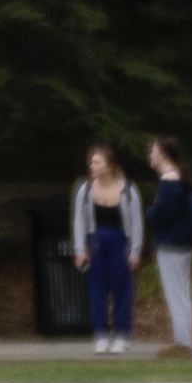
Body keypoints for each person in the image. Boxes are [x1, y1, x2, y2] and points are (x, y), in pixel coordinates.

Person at [71, 142, 141, 353]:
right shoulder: (85, 190)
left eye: (97, 161)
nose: (92, 165)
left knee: (122, 288)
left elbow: (136, 222)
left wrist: (135, 250)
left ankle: (122, 335)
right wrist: (79, 249)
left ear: (109, 165)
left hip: (120, 241)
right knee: (97, 289)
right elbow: (79, 221)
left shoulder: (128, 190)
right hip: (95, 242)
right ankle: (100, 335)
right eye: (91, 162)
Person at [143, 134, 192, 353]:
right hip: (183, 242)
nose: (150, 155)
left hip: (171, 243)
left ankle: (183, 343)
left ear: (162, 153)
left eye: (152, 151)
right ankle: (183, 340)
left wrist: (150, 211)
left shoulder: (169, 181)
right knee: (182, 292)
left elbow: (163, 214)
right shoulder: (181, 178)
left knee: (176, 293)